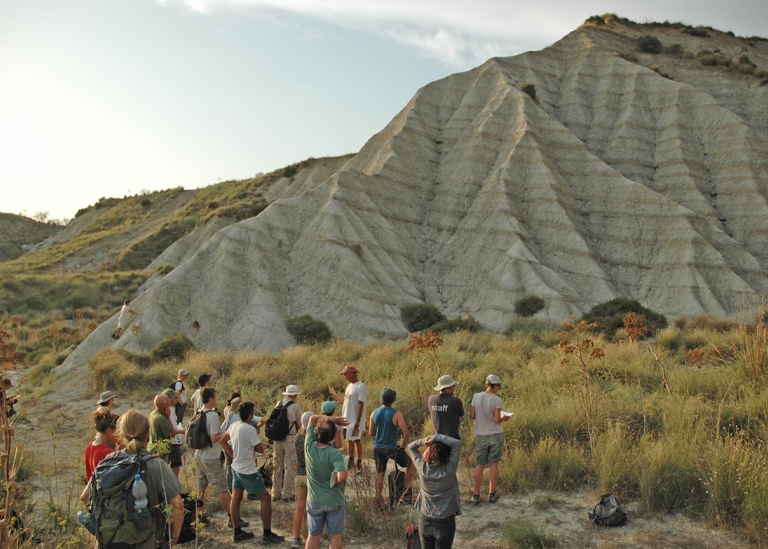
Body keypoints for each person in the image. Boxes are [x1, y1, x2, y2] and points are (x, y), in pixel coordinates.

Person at [80, 409, 184, 548]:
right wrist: (174, 536)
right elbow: (177, 504)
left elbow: (85, 497)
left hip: (108, 541)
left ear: (121, 433)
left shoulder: (107, 462)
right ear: (148, 433)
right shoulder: (155, 464)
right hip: (143, 541)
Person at [219, 401, 284, 544]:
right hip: (247, 470)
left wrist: (232, 455)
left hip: (236, 467)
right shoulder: (249, 430)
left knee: (236, 499)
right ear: (250, 415)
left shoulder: (234, 426)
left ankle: (237, 533)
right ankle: (267, 534)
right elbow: (260, 449)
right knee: (265, 498)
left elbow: (222, 441)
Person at [407, 433, 462, 549]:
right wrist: (439, 437)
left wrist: (426, 440)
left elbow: (411, 446)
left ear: (430, 455)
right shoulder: (450, 469)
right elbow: (457, 443)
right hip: (445, 521)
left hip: (425, 519)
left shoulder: (423, 469)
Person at [305, 414, 349, 549]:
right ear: (332, 436)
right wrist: (336, 480)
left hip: (314, 500)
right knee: (335, 536)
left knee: (313, 535)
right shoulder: (334, 454)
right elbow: (342, 476)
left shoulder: (309, 446)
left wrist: (334, 419)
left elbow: (312, 418)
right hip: (334, 500)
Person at [193, 387, 233, 525]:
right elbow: (214, 437)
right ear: (210, 399)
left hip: (198, 454)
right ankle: (232, 518)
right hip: (211, 456)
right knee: (221, 488)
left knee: (201, 488)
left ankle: (200, 516)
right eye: (214, 397)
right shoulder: (213, 415)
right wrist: (227, 434)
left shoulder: (198, 412)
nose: (216, 400)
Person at [368, 388, 414, 508]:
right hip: (391, 447)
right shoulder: (396, 413)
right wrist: (404, 444)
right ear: (393, 399)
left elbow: (371, 433)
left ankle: (378, 498)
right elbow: (406, 433)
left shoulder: (374, 413)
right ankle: (407, 491)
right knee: (410, 464)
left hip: (378, 447)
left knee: (380, 473)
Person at [471, 374, 511, 505]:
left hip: (481, 435)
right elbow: (497, 420)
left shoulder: (476, 397)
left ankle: (476, 495)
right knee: (494, 464)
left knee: (479, 465)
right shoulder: (496, 399)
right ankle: (492, 494)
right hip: (495, 434)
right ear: (496, 386)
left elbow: (473, 416)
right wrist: (504, 418)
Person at [330, 364, 366, 471]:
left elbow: (361, 404)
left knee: (356, 440)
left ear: (352, 374)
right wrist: (336, 395)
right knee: (349, 440)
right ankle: (350, 460)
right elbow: (345, 401)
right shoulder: (349, 386)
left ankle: (359, 462)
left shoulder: (360, 386)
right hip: (347, 419)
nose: (345, 376)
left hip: (355, 419)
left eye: (345, 374)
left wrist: (358, 420)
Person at [272, 384, 302, 501]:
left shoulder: (278, 404)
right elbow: (299, 424)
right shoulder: (296, 407)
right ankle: (287, 493)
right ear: (295, 395)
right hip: (290, 437)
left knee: (277, 465)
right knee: (290, 466)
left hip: (277, 438)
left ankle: (275, 493)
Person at [291, 410, 313, 548]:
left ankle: (296, 538)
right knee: (313, 509)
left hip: (299, 474)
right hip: (311, 475)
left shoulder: (298, 437)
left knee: (299, 508)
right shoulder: (313, 438)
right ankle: (313, 535)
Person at [83, 407, 119, 481]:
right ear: (110, 431)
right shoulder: (108, 453)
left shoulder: (89, 447)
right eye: (118, 431)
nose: (119, 435)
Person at [149, 393, 183, 466]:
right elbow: (172, 434)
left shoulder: (153, 413)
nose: (170, 402)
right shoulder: (161, 418)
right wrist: (168, 417)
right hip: (161, 450)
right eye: (168, 400)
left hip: (154, 448)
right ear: (164, 405)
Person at [429, 375, 464, 440]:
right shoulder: (456, 401)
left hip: (435, 438)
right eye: (453, 386)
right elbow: (461, 416)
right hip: (451, 438)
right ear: (448, 388)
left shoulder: (431, 399)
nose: (454, 388)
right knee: (456, 447)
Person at [162, 388, 185, 477]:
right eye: (175, 397)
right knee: (175, 465)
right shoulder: (169, 411)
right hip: (173, 441)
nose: (177, 398)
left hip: (169, 441)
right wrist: (184, 431)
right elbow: (172, 430)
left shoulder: (168, 409)